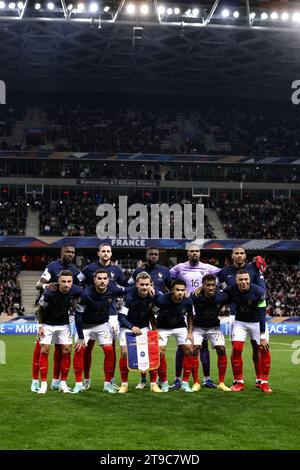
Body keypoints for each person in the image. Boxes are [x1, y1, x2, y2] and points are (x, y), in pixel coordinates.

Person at [31, 244, 81, 393]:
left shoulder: (75, 271)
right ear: (61, 252)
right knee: (41, 348)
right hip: (46, 311)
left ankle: (56, 381)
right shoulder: (52, 267)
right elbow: (38, 284)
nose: (70, 254)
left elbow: (80, 287)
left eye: (73, 252)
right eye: (67, 251)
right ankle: (35, 381)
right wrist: (48, 287)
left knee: (63, 349)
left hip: (63, 315)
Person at [169, 243, 220, 389]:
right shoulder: (179, 267)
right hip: (184, 311)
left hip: (201, 311)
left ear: (200, 253)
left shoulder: (207, 267)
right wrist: (176, 293)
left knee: (202, 346)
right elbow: (168, 278)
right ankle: (178, 379)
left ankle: (207, 379)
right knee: (182, 346)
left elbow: (222, 275)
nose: (194, 253)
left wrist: (209, 289)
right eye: (192, 251)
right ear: (187, 253)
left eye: (197, 251)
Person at [79, 243, 128, 391]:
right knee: (87, 349)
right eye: (103, 251)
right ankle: (86, 379)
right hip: (90, 314)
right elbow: (76, 281)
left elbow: (125, 287)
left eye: (108, 251)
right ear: (98, 253)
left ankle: (110, 379)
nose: (106, 253)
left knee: (110, 348)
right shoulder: (88, 269)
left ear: (111, 254)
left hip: (111, 314)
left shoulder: (117, 270)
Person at [217, 246, 266, 387]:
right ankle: (237, 379)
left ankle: (259, 379)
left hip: (255, 315)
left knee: (257, 348)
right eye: (236, 253)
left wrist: (262, 271)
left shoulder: (254, 269)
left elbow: (262, 291)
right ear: (232, 256)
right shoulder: (224, 272)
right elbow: (215, 286)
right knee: (236, 348)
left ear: (245, 256)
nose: (239, 255)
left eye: (242, 253)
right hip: (235, 316)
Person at [129, 247, 171, 389]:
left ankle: (161, 380)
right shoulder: (137, 272)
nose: (153, 256)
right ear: (146, 256)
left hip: (160, 313)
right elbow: (129, 288)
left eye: (156, 254)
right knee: (143, 350)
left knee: (158, 351)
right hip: (144, 312)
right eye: (151, 254)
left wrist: (156, 292)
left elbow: (169, 291)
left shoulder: (164, 271)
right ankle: (143, 379)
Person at [224, 270, 272, 393]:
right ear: (236, 280)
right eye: (241, 280)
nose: (244, 282)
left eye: (246, 279)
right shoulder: (230, 290)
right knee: (236, 349)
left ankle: (264, 383)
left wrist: (262, 336)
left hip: (257, 323)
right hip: (241, 322)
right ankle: (239, 382)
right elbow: (218, 296)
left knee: (264, 350)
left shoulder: (259, 292)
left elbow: (262, 314)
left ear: (249, 279)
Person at [118, 271, 162, 393]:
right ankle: (124, 384)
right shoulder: (129, 297)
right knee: (125, 353)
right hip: (127, 326)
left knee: (150, 352)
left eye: (147, 284)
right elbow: (121, 317)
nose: (144, 287)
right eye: (141, 284)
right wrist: (131, 327)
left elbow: (164, 299)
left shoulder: (155, 295)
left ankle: (153, 383)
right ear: (136, 284)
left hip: (143, 326)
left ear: (150, 285)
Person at [191, 274, 231, 391]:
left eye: (213, 285)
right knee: (195, 350)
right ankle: (197, 382)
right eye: (208, 285)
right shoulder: (195, 296)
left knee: (222, 349)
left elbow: (233, 294)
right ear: (203, 286)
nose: (211, 288)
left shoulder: (222, 296)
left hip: (214, 327)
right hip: (198, 327)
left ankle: (222, 383)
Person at [154, 279, 194, 393]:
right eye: (177, 290)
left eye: (182, 290)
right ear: (172, 290)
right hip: (162, 327)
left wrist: (190, 332)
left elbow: (190, 315)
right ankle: (164, 382)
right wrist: (155, 330)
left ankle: (185, 383)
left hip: (180, 326)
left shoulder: (188, 301)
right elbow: (151, 313)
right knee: (160, 352)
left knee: (190, 350)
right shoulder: (161, 300)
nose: (180, 293)